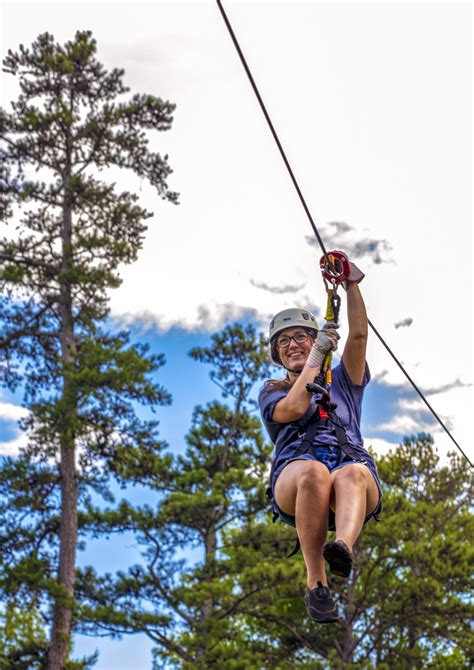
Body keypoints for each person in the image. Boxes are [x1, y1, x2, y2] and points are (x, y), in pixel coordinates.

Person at [258, 260, 382, 624]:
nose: (292, 344)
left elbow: (359, 336)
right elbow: (296, 407)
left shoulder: (344, 382)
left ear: (315, 339)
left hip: (347, 469)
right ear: (277, 354)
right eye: (284, 341)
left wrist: (351, 283)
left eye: (300, 337)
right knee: (314, 472)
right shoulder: (273, 391)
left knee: (352, 474)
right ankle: (316, 584)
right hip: (296, 478)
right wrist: (316, 356)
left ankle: (342, 545)